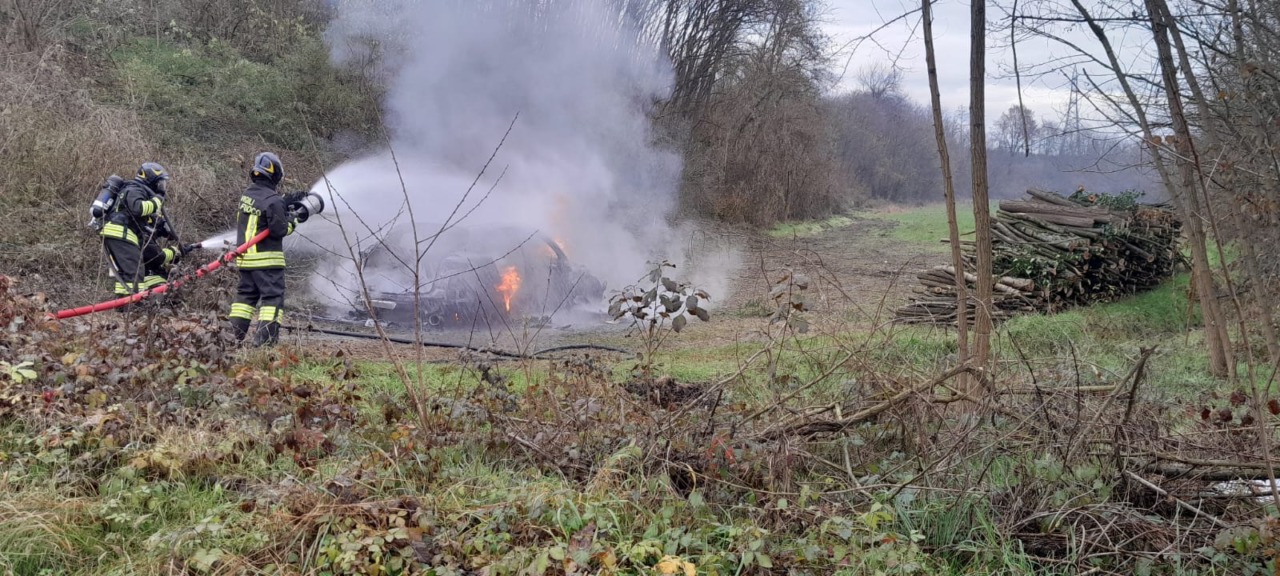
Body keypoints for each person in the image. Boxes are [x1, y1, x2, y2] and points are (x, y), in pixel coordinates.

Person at [228, 152, 297, 346]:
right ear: (275, 174)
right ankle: (264, 343)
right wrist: (294, 219)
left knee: (244, 300)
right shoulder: (273, 200)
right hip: (267, 262)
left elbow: (261, 213)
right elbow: (279, 230)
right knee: (272, 300)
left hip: (245, 260)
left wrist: (285, 203)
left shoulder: (247, 196)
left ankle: (230, 339)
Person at [100, 162, 195, 298]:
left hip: (120, 232)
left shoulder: (137, 190)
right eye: (160, 183)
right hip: (120, 232)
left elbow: (143, 219)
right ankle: (131, 304)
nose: (162, 187)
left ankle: (124, 302)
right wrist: (158, 199)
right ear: (151, 179)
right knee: (134, 270)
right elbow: (138, 209)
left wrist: (163, 229)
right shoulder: (135, 189)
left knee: (130, 270)